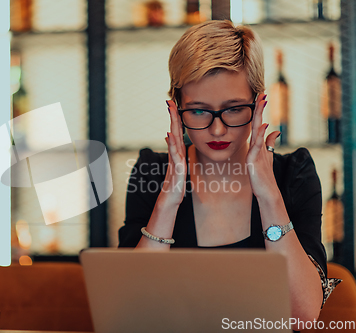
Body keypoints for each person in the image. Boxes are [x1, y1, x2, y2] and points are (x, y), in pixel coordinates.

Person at [118, 20, 340, 328]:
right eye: (198, 111)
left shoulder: (293, 173)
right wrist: (167, 203)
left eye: (234, 109)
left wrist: (268, 195)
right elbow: (129, 312)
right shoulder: (151, 172)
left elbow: (303, 316)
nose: (217, 129)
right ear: (175, 109)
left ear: (259, 102)